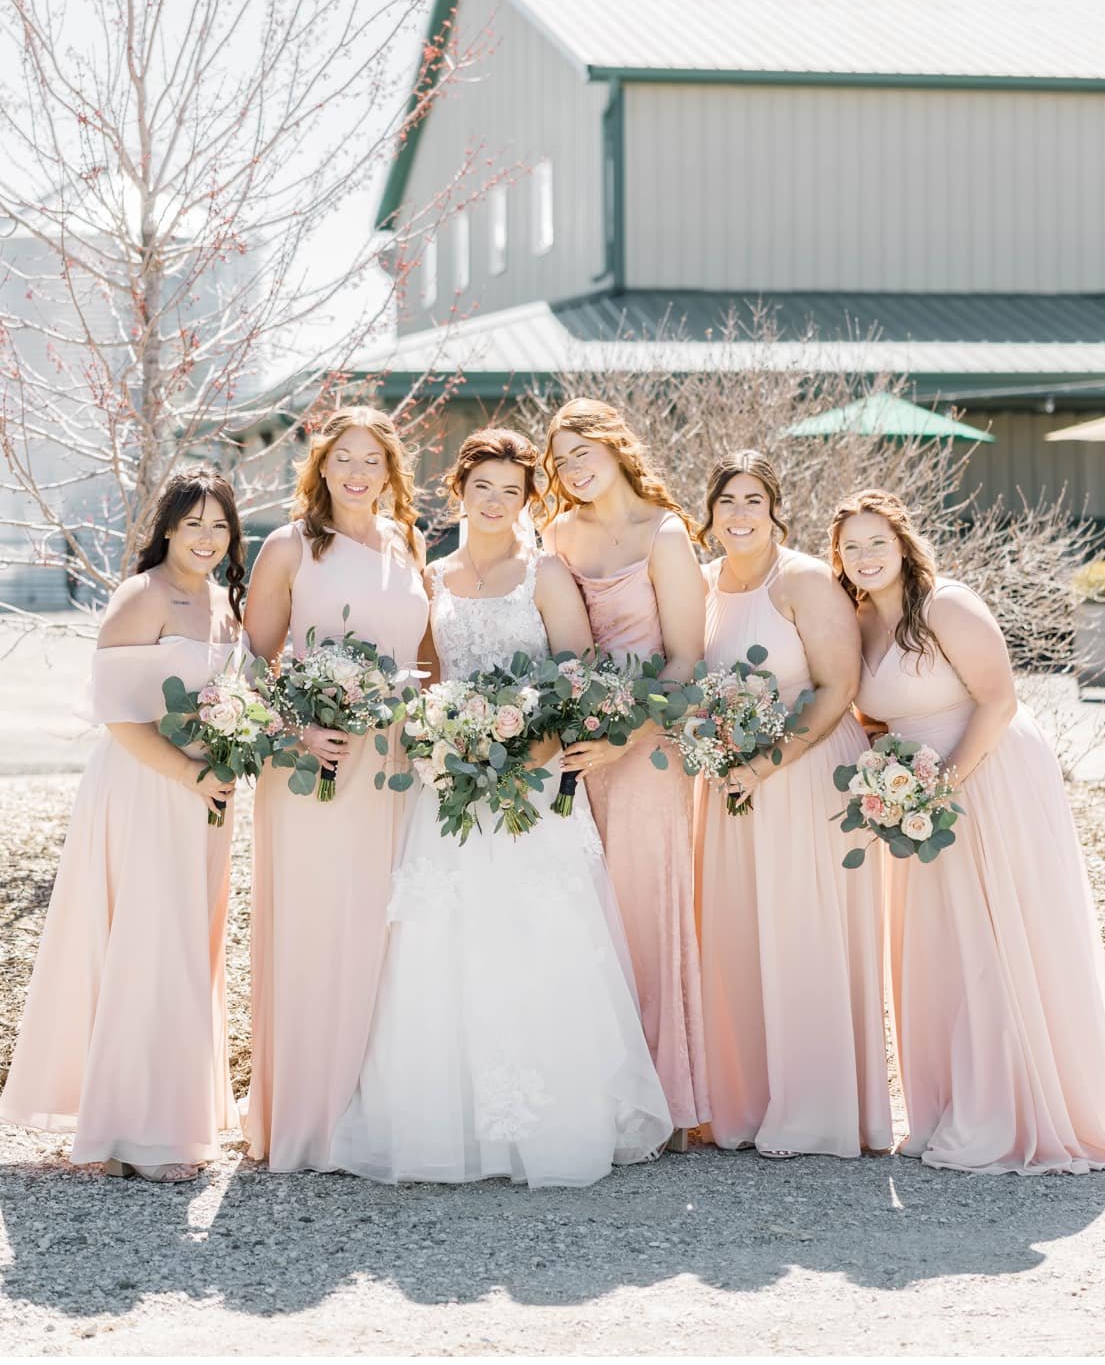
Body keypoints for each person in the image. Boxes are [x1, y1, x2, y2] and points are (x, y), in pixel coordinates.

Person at [330, 427, 670, 1185]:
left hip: (535, 781)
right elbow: (427, 675)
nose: (495, 502)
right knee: (446, 943)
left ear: (527, 501)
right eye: (482, 487)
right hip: (451, 785)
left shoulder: (544, 573)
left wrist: (531, 750)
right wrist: (444, 739)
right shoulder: (434, 576)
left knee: (536, 935)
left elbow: (575, 675)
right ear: (461, 490)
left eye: (511, 492)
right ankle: (447, 1122)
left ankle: (552, 1123)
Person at [832, 488, 1105, 1175]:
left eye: (876, 542)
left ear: (903, 543)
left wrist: (942, 783)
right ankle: (951, 1103)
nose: (864, 557)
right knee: (939, 943)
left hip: (988, 771)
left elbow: (1000, 699)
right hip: (915, 792)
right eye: (851, 546)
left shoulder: (945, 603)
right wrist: (891, 787)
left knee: (998, 931)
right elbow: (874, 715)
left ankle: (1017, 1108)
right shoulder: (857, 622)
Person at [0, 469, 245, 1181]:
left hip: (207, 801)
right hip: (145, 787)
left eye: (220, 525)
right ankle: (132, 1134)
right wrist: (190, 773)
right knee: (145, 942)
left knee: (185, 946)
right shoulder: (141, 597)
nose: (206, 538)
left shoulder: (225, 604)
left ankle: (168, 1116)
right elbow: (115, 713)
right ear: (167, 527)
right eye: (193, 523)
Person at [243, 407, 429, 1172]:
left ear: (391, 473)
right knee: (320, 929)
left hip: (398, 768)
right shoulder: (291, 546)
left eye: (372, 461)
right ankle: (307, 1120)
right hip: (315, 766)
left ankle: (370, 1113)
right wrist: (296, 733)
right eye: (342, 458)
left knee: (387, 932)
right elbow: (252, 664)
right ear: (320, 468)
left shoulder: (406, 545)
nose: (357, 472)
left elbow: (422, 660)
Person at [695, 452, 891, 1157]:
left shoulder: (804, 579)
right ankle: (745, 1105)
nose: (740, 514)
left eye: (753, 500)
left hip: (804, 772)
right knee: (739, 933)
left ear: (776, 508)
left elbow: (838, 688)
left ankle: (819, 1107)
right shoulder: (702, 582)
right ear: (710, 512)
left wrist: (767, 762)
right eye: (727, 502)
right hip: (728, 782)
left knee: (804, 928)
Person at [542, 399, 709, 1147]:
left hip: (649, 745)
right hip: (581, 747)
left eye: (585, 452)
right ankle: (602, 1092)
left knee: (646, 906)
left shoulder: (665, 533)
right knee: (588, 912)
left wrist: (628, 734)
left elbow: (685, 658)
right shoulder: (557, 535)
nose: (575, 468)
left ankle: (666, 1099)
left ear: (617, 447)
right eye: (562, 459)